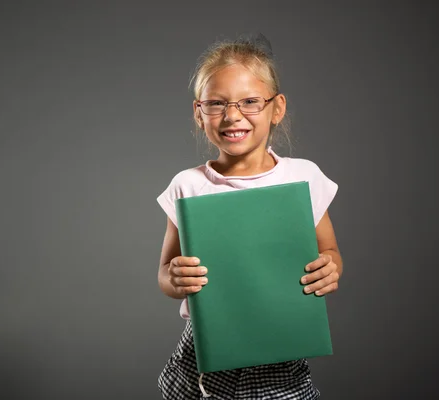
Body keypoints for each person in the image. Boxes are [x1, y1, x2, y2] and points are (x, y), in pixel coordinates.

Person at [155, 34, 343, 400]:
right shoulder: (187, 184)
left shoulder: (303, 176)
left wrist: (330, 266)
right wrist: (175, 277)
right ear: (199, 113)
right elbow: (165, 274)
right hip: (204, 354)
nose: (232, 115)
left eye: (250, 102)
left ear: (277, 108)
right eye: (216, 104)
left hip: (280, 354)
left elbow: (330, 251)